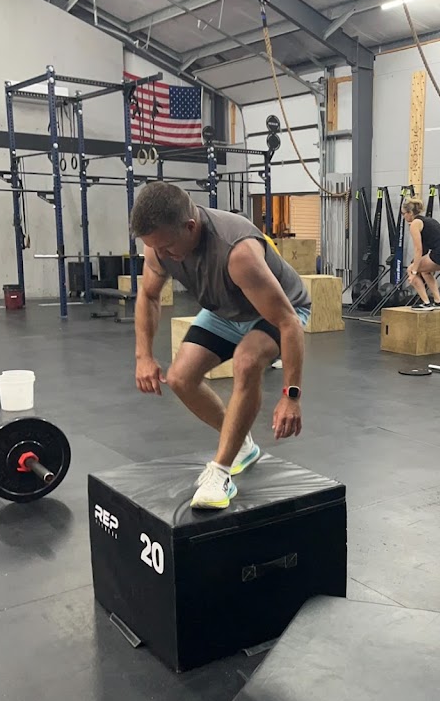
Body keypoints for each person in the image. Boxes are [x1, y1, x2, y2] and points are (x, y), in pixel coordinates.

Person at [129, 182, 311, 511]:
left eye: (167, 247)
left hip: (278, 311)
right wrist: (144, 356)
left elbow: (288, 323)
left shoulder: (237, 251)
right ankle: (241, 445)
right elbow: (149, 295)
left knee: (246, 361)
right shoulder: (158, 247)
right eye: (155, 248)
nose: (162, 255)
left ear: (190, 227)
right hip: (226, 311)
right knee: (180, 378)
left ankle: (222, 471)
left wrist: (291, 396)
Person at [400, 196, 440, 310]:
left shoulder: (415, 224)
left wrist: (413, 271)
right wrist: (416, 264)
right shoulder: (428, 220)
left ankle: (426, 303)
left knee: (411, 269)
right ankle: (438, 302)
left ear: (410, 213)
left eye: (404, 214)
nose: (403, 217)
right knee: (425, 271)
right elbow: (425, 249)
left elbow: (418, 249)